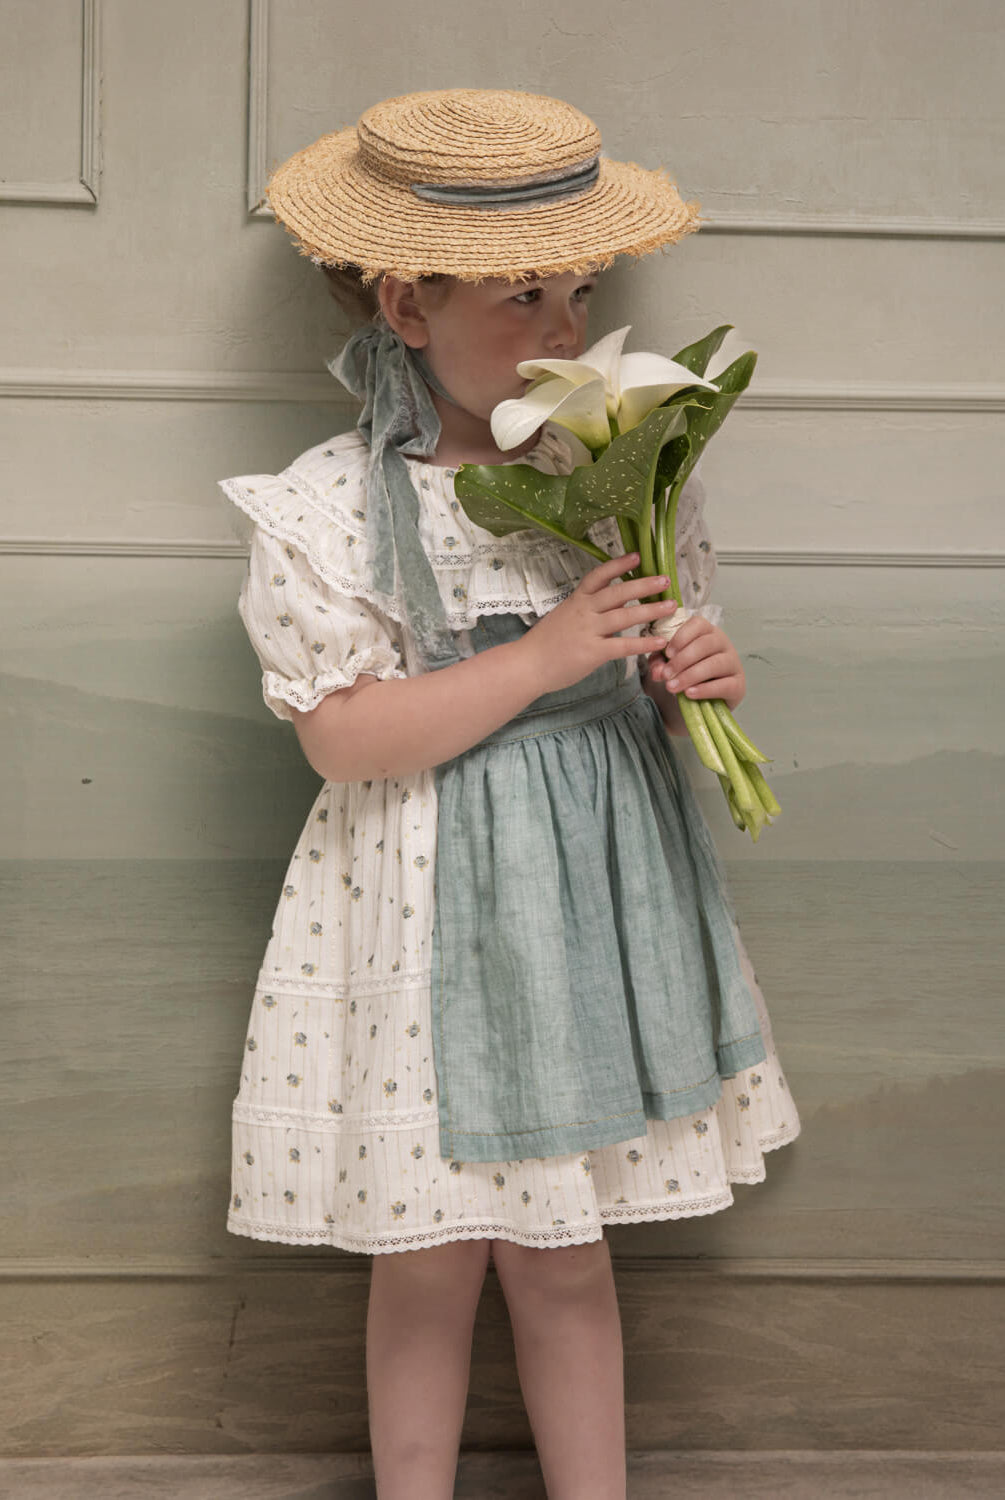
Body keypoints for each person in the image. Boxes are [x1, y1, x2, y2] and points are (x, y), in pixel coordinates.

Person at [219, 88, 802, 1500]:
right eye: (520, 293)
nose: (560, 327)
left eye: (578, 291)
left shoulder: (614, 476)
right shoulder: (329, 504)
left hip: (584, 915)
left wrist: (687, 677)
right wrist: (545, 655)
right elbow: (344, 740)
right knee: (423, 1260)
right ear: (405, 304)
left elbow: (646, 674)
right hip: (418, 929)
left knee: (563, 1252)